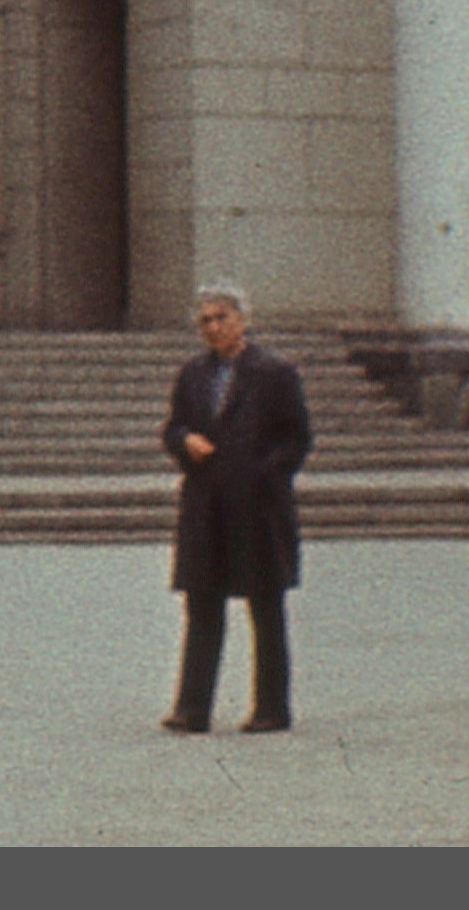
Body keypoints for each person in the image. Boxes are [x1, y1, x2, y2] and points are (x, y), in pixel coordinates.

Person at [160, 281, 309, 736]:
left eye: (222, 317)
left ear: (243, 320)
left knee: (265, 608)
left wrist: (264, 473)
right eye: (205, 320)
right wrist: (184, 441)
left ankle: (271, 708)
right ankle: (192, 707)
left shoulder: (275, 372)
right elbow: (173, 426)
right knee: (202, 607)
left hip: (258, 509)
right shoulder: (193, 374)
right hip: (207, 506)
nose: (213, 327)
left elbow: (297, 438)